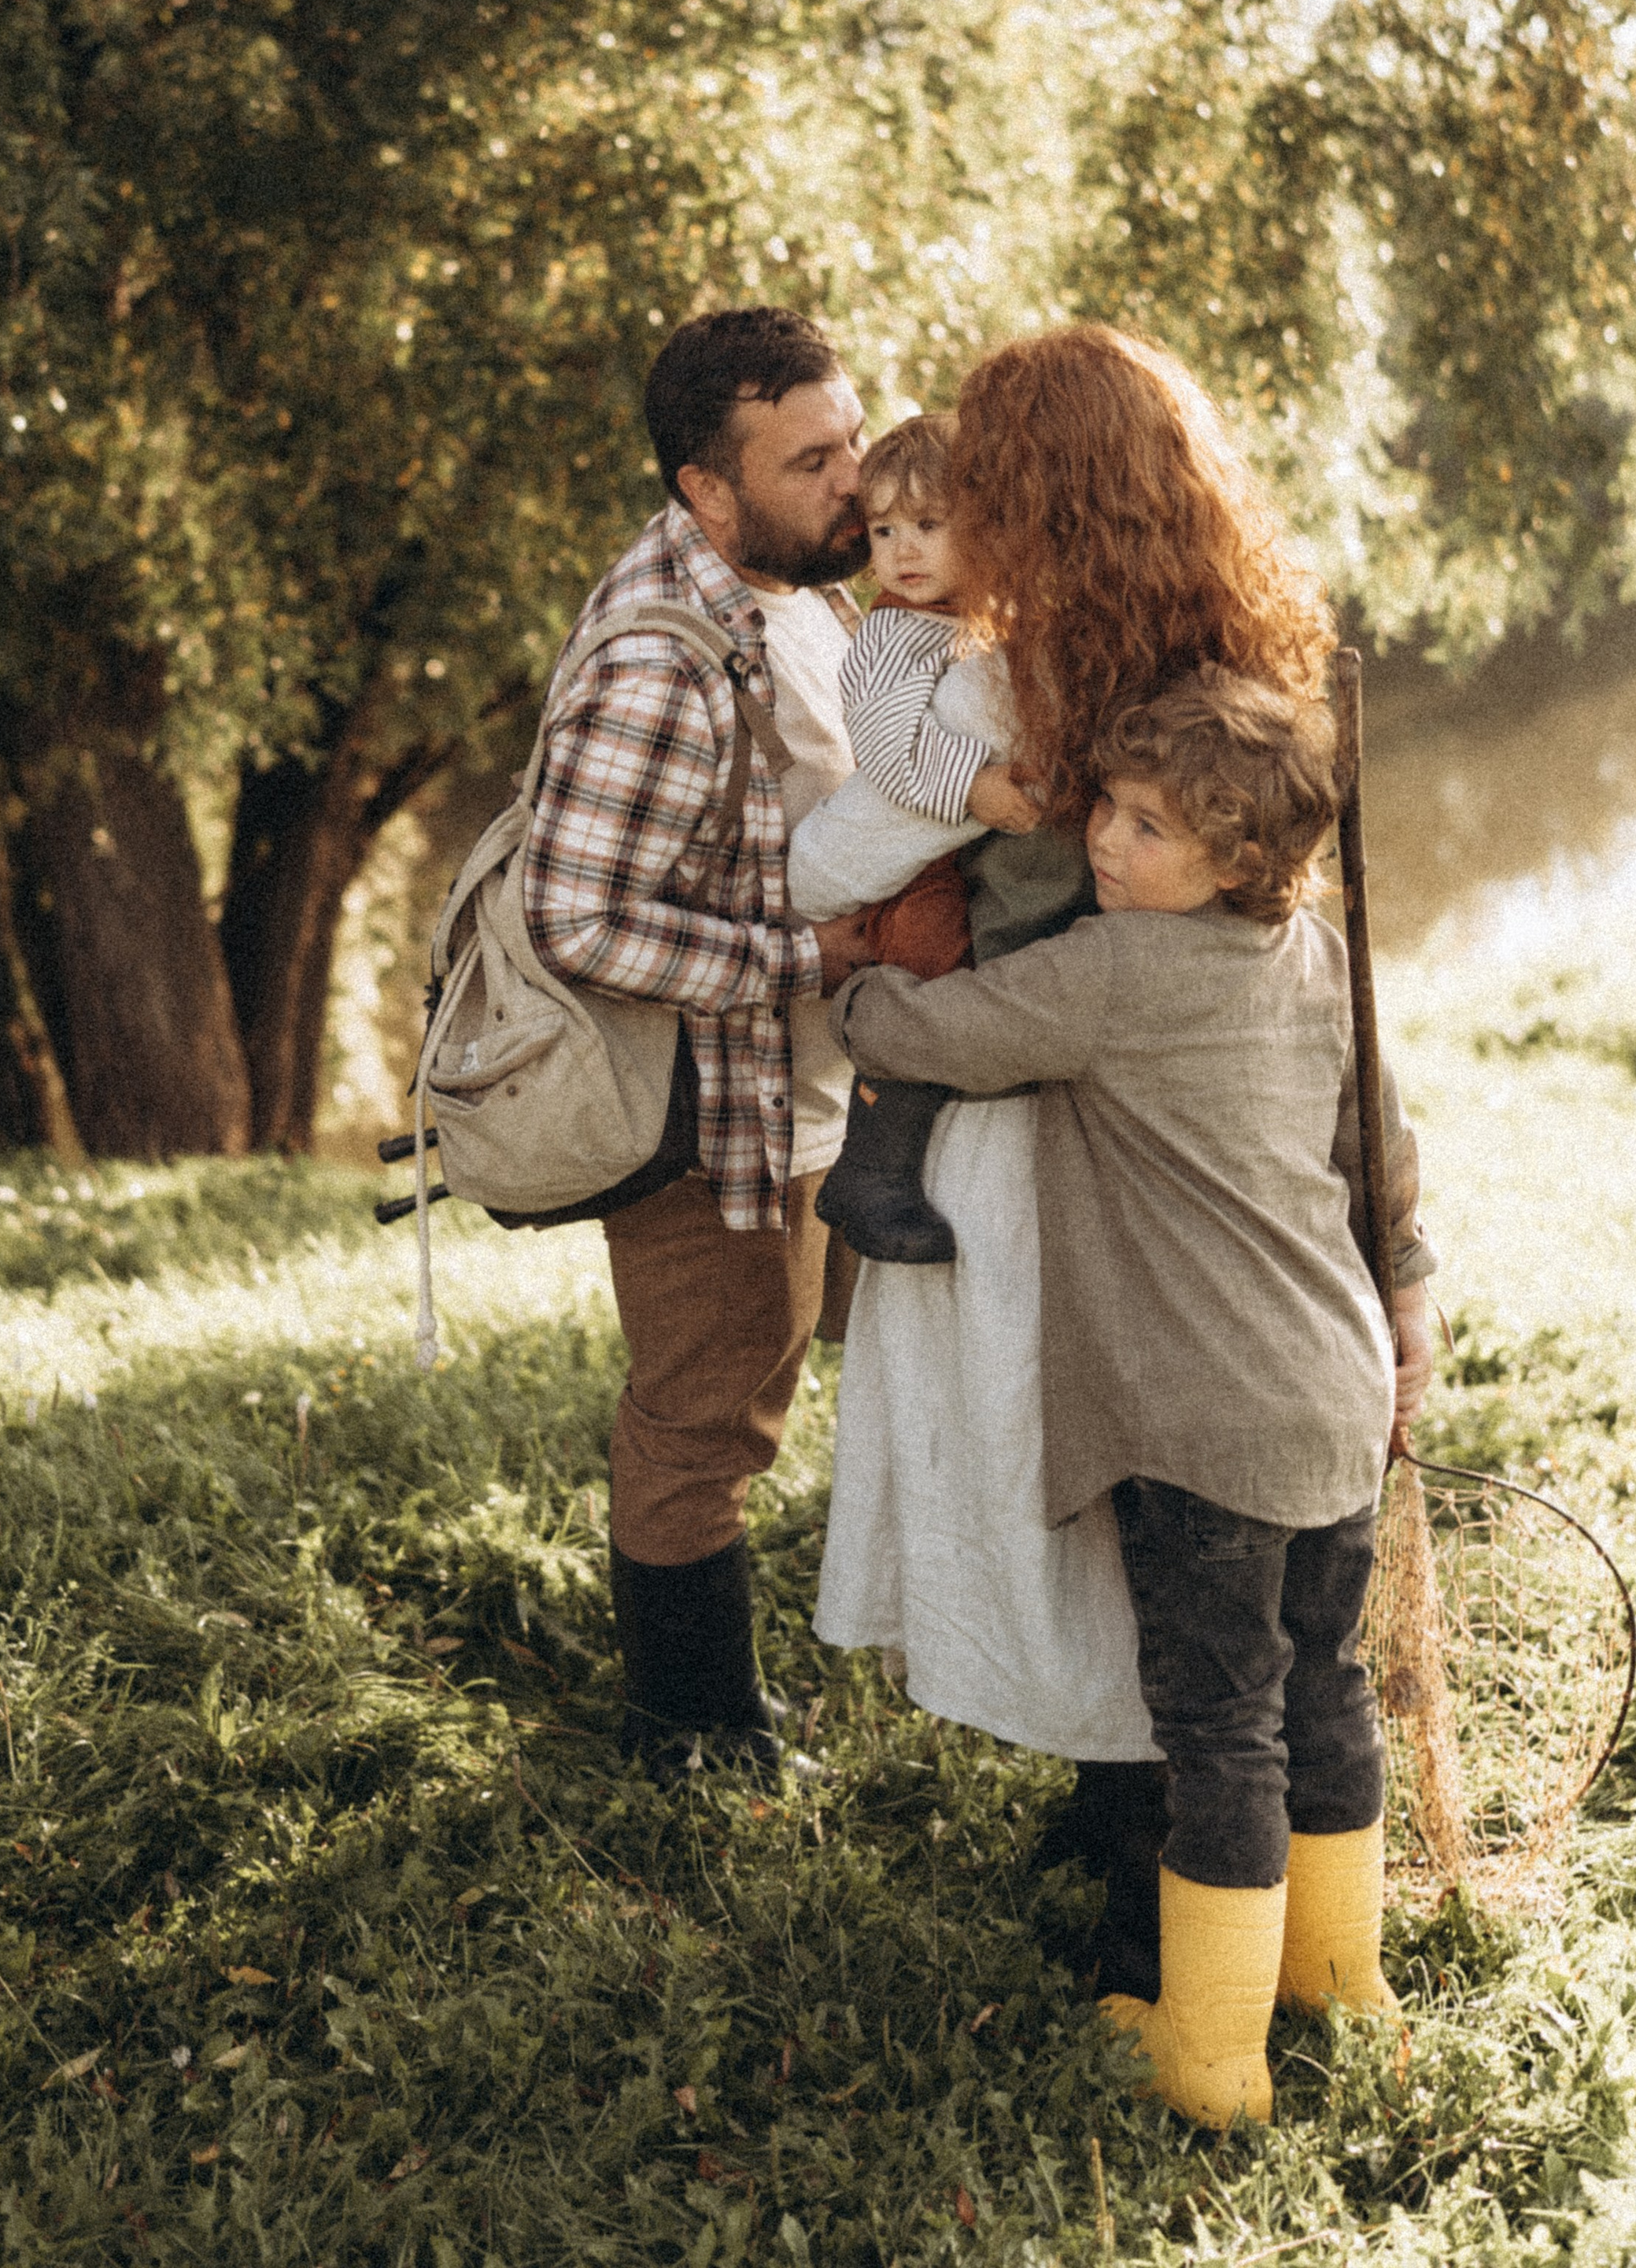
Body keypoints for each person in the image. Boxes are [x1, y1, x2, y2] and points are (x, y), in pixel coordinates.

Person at [801, 324, 1435, 2004]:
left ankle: (1162, 1869)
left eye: (995, 485)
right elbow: (1338, 1018)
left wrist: (833, 942)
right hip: (1180, 1127)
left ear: (1047, 497)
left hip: (1071, 1123)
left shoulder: (1027, 689)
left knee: (1111, 1486)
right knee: (1149, 1513)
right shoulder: (1223, 660)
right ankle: (1143, 1820)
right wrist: (1396, 1265)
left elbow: (839, 859)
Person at [522, 305, 873, 1780]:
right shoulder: (662, 663)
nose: (854, 480)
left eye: (853, 439)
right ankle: (692, 1741)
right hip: (716, 1121)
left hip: (818, 1094)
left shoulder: (796, 591)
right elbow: (571, 917)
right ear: (707, 491)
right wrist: (802, 962)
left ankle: (734, 1715)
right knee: (699, 1426)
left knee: (793, 1387)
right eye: (811, 462)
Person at [812, 411, 1045, 1268]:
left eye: (929, 525)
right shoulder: (890, 634)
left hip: (958, 849)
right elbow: (886, 747)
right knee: (928, 956)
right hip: (911, 861)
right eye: (883, 531)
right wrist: (977, 787)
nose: (902, 550)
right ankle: (873, 1161)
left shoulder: (983, 619)